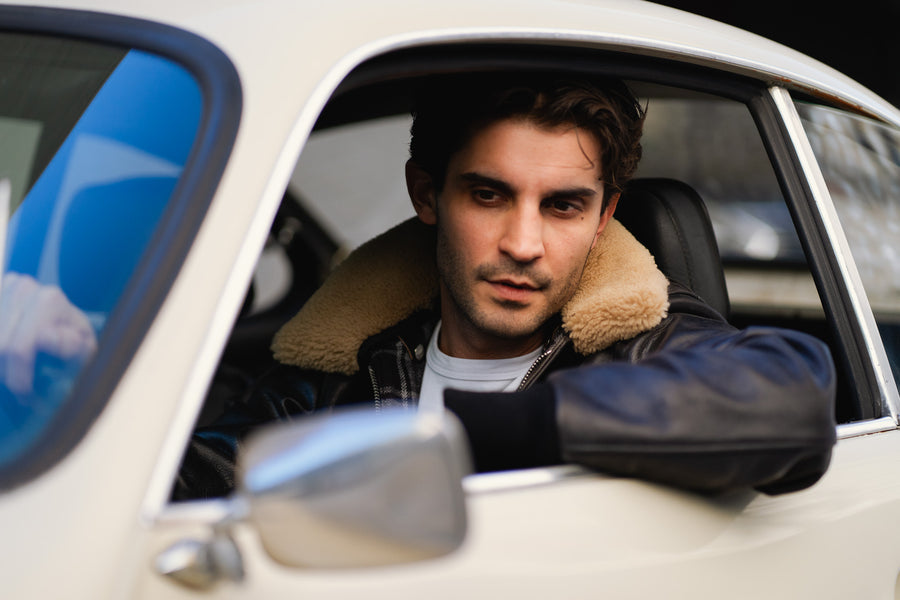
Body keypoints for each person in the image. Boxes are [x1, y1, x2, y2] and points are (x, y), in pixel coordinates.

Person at [175, 73, 837, 499]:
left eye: (564, 206)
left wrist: (482, 434)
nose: (523, 244)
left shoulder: (642, 349)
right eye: (489, 195)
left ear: (605, 217)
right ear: (426, 194)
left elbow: (794, 399)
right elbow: (195, 485)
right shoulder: (334, 372)